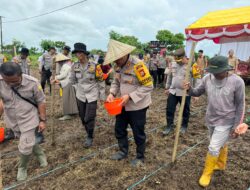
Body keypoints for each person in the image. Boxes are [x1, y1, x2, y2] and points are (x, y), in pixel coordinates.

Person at [184, 56, 245, 187]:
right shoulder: (207, 78)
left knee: (213, 147)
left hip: (227, 119)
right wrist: (189, 89)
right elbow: (196, 92)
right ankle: (221, 164)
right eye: (213, 71)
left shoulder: (237, 82)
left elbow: (240, 105)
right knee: (219, 143)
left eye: (218, 72)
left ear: (226, 69)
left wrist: (237, 125)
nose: (215, 74)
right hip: (211, 117)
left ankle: (207, 173)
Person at [105, 39, 153, 167]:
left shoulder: (138, 65)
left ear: (125, 54)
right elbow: (116, 82)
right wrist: (112, 93)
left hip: (138, 106)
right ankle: (123, 151)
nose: (116, 61)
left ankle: (140, 157)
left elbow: (148, 86)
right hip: (122, 104)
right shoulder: (117, 67)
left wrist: (130, 96)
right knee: (119, 129)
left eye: (118, 59)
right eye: (114, 59)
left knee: (138, 132)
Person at [0, 62, 48, 181]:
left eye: (14, 81)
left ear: (21, 74)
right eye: (7, 81)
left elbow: (41, 101)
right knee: (28, 140)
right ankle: (40, 153)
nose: (11, 84)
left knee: (25, 144)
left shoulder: (33, 83)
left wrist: (42, 120)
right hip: (12, 119)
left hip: (29, 118)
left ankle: (22, 168)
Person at [69, 42, 105, 148]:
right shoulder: (74, 66)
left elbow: (101, 81)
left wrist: (102, 96)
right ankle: (88, 130)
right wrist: (76, 88)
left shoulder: (95, 66)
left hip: (92, 94)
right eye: (76, 53)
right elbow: (72, 80)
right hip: (80, 95)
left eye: (79, 53)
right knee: (82, 117)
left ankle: (89, 136)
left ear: (84, 53)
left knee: (89, 117)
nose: (77, 55)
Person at [163, 48, 191, 135]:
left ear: (183, 57)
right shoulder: (173, 64)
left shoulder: (190, 66)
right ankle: (169, 126)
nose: (177, 61)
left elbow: (196, 79)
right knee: (169, 109)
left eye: (179, 59)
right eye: (176, 59)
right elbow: (170, 76)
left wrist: (194, 92)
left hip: (184, 92)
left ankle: (184, 126)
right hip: (173, 91)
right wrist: (167, 87)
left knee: (185, 110)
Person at [51, 54, 78, 121]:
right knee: (70, 99)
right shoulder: (66, 65)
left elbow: (63, 75)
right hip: (68, 83)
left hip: (67, 84)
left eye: (59, 62)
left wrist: (55, 77)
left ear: (61, 61)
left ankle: (67, 115)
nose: (58, 63)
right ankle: (72, 112)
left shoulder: (65, 66)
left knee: (66, 100)